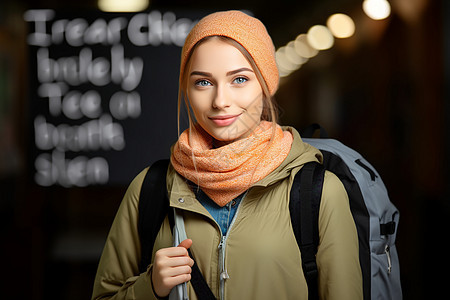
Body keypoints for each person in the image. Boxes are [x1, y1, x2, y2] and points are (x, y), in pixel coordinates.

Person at [92, 10, 362, 300]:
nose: (220, 101)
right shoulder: (150, 189)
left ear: (266, 83)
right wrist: (151, 286)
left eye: (240, 79)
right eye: (203, 82)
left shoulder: (319, 192)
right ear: (187, 88)